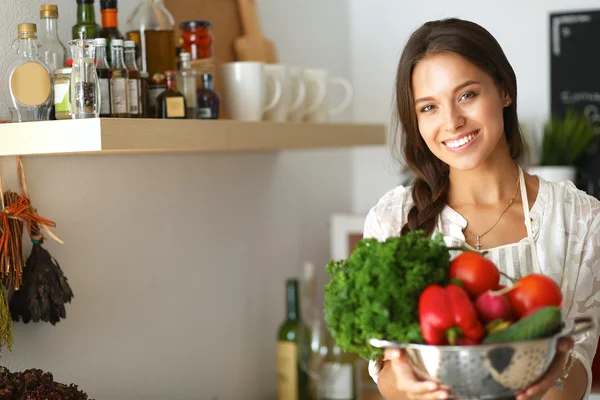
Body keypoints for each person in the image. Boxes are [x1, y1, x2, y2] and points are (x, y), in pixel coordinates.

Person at [363, 18, 600, 400]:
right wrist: (407, 387)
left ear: (504, 90)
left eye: (467, 95)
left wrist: (554, 375)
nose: (452, 122)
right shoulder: (391, 220)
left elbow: (579, 370)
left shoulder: (580, 218)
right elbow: (385, 370)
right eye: (428, 107)